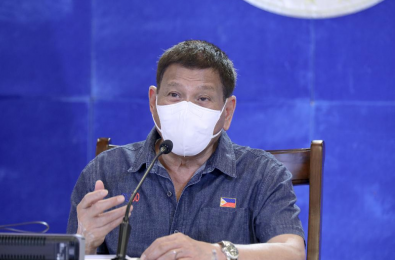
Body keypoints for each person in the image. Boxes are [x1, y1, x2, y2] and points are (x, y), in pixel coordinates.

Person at [67, 40, 306, 260]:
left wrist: (215, 252)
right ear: (153, 102)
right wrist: (83, 246)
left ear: (227, 112)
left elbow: (292, 252)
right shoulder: (106, 170)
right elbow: (74, 253)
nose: (186, 109)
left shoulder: (262, 174)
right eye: (174, 95)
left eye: (203, 98)